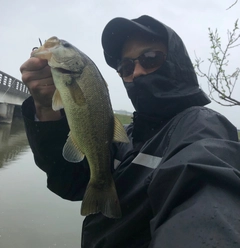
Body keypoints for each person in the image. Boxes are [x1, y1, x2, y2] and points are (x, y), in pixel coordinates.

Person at [20, 15, 240, 248]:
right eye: (125, 67)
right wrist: (45, 109)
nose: (136, 72)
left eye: (150, 58)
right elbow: (70, 182)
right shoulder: (125, 138)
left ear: (177, 63)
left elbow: (207, 202)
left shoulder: (202, 128)